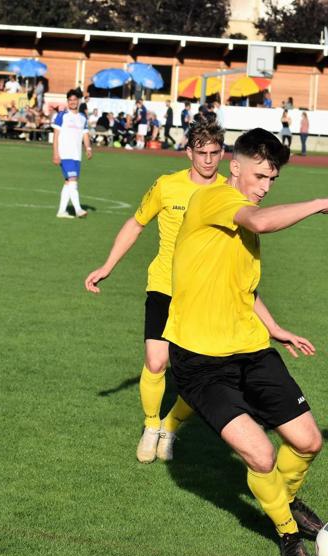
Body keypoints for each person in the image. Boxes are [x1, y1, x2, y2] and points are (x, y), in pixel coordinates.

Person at [164, 127, 328, 556]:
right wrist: (319, 202)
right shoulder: (216, 199)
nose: (264, 188)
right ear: (235, 167)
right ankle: (288, 532)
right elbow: (263, 221)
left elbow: (242, 289)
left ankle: (282, 499)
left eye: (272, 180)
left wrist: (275, 328)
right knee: (261, 454)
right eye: (259, 177)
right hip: (200, 360)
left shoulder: (239, 218)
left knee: (308, 441)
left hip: (250, 350)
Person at [84, 120, 227, 462]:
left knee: (198, 373)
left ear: (222, 153)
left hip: (204, 293)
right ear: (188, 151)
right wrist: (107, 266)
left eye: (214, 153)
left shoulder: (228, 190)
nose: (208, 160)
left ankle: (171, 425)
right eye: (201, 153)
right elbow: (135, 224)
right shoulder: (166, 186)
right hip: (164, 285)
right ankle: (151, 427)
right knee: (156, 360)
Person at [52, 89, 93, 219]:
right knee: (73, 180)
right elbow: (56, 136)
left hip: (77, 155)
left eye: (75, 100)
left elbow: (85, 134)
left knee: (68, 182)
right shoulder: (62, 116)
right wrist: (55, 154)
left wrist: (88, 148)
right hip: (65, 154)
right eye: (70, 100)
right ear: (67, 101)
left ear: (79, 101)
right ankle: (78, 209)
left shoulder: (82, 118)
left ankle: (61, 211)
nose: (73, 102)